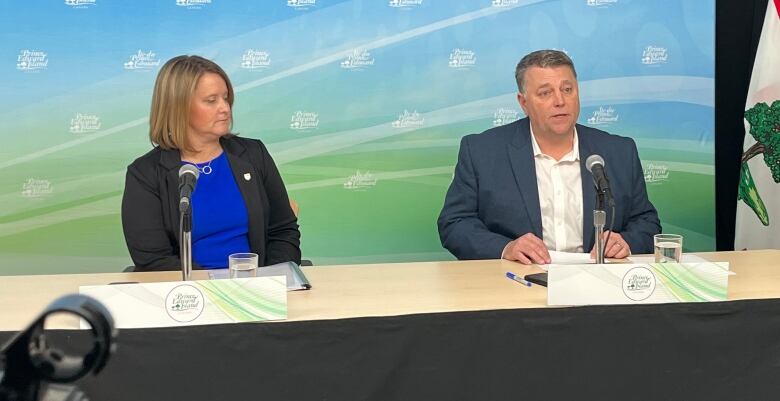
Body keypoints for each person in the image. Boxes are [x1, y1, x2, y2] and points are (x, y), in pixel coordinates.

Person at [438, 50, 660, 264]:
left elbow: (647, 222)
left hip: (599, 284)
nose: (560, 101)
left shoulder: (618, 151)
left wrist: (626, 242)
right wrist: (506, 248)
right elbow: (455, 223)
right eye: (545, 93)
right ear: (523, 103)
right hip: (517, 282)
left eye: (567, 89)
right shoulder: (482, 151)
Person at [122, 55, 301, 271]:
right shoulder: (145, 174)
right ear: (178, 107)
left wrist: (269, 281)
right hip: (190, 296)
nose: (225, 108)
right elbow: (153, 260)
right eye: (211, 100)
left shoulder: (253, 154)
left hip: (256, 289)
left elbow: (283, 232)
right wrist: (212, 289)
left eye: (226, 98)